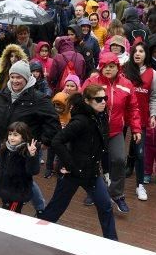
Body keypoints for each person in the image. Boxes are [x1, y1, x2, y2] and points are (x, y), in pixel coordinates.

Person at [0, 60, 60, 215]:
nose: (15, 81)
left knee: (24, 178)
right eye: (12, 77)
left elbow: (53, 122)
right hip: (6, 144)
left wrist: (44, 142)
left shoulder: (38, 98)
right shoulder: (4, 93)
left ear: (27, 78)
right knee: (9, 172)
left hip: (26, 148)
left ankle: (37, 208)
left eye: (19, 77)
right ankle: (10, 196)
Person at [43, 85, 117, 240]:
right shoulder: (80, 121)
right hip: (73, 173)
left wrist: (106, 170)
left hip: (92, 173)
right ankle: (37, 235)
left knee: (105, 206)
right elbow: (57, 141)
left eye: (105, 98)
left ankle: (113, 244)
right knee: (55, 208)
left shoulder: (101, 117)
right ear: (87, 101)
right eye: (98, 99)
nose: (103, 102)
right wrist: (70, 165)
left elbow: (102, 147)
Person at [82, 52, 142, 213]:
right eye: (104, 66)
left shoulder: (127, 84)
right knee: (93, 162)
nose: (108, 70)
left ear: (118, 67)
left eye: (111, 66)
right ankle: (94, 191)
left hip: (115, 131)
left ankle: (116, 194)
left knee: (119, 160)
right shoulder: (93, 81)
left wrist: (136, 128)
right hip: (94, 130)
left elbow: (133, 108)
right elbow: (81, 101)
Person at [121, 43, 156, 201]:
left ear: (146, 54)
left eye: (141, 51)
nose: (137, 54)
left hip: (141, 117)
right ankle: (111, 179)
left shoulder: (153, 73)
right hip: (122, 116)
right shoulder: (123, 69)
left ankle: (140, 185)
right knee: (114, 150)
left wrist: (153, 114)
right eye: (135, 51)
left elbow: (154, 96)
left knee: (140, 152)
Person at [0, 122, 40, 213]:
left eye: (15, 135)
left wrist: (32, 156)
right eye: (10, 134)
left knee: (12, 213)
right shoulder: (6, 147)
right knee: (6, 208)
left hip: (17, 192)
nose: (11, 137)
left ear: (23, 136)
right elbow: (0, 158)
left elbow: (33, 170)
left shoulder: (26, 151)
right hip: (4, 187)